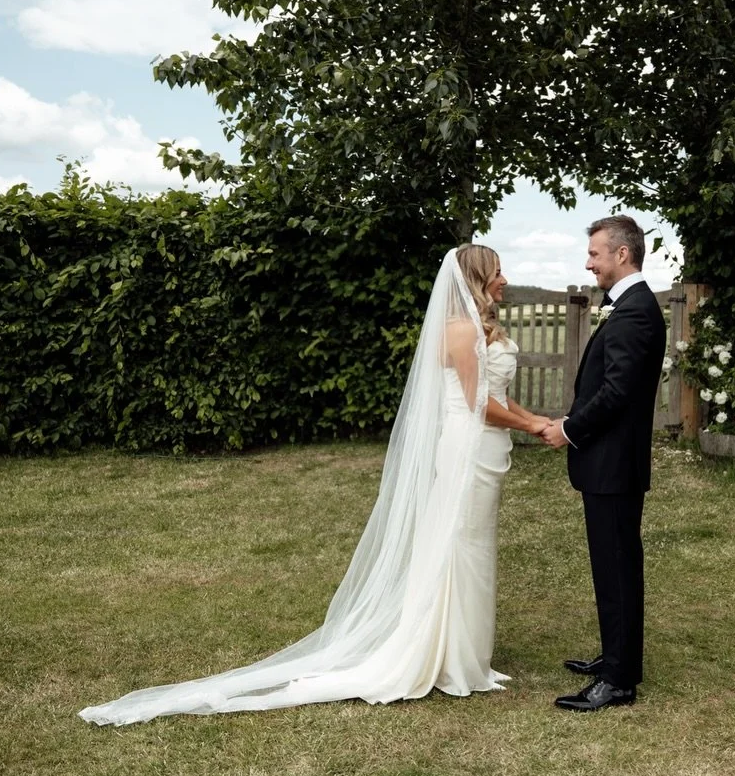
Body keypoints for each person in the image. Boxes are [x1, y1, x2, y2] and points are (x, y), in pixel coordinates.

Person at [79, 245, 550, 725]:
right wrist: (535, 427)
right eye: (496, 271)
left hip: (485, 448)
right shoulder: (461, 330)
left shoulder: (478, 327)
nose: (504, 278)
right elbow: (476, 406)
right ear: (476, 276)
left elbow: (497, 397)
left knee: (471, 545)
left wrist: (539, 420)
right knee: (457, 546)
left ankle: (465, 653)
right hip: (467, 448)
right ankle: (448, 657)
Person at [540, 215, 666, 711]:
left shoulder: (635, 312)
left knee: (616, 567)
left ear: (622, 254)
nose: (588, 262)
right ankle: (618, 658)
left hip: (612, 464)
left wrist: (569, 428)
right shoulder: (632, 306)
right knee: (615, 565)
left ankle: (618, 681)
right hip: (611, 462)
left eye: (594, 253)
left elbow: (616, 393)